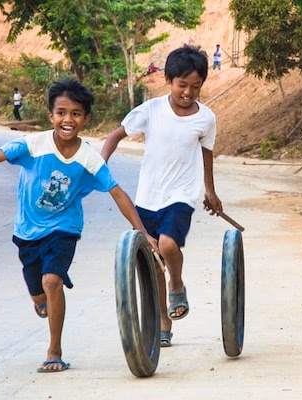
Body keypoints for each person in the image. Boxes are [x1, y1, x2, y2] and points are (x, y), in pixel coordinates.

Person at [0, 78, 157, 373]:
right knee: (39, 292)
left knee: (52, 281)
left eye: (76, 113)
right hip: (27, 231)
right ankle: (42, 302)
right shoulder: (33, 145)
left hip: (64, 228)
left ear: (86, 118)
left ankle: (54, 350)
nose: (68, 119)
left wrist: (142, 232)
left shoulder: (89, 159)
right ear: (51, 115)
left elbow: (117, 193)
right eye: (61, 112)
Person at [100, 44, 221, 348]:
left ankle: (177, 284)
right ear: (169, 80)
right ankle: (164, 323)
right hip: (146, 198)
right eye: (182, 85)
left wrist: (210, 191)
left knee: (167, 244)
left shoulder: (205, 119)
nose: (188, 92)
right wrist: (100, 166)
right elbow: (115, 136)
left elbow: (207, 157)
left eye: (195, 86)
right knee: (153, 263)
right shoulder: (151, 110)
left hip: (181, 195)